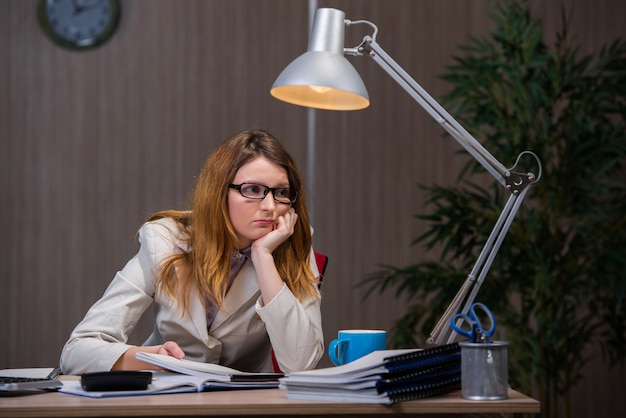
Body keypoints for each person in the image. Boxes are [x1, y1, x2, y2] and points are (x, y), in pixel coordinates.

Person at [60, 129, 324, 375]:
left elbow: (301, 364)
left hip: (244, 406)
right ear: (219, 192)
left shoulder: (293, 245)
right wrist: (151, 358)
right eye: (253, 190)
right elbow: (77, 352)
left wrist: (264, 257)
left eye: (281, 192)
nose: (270, 206)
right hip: (166, 400)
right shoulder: (164, 240)